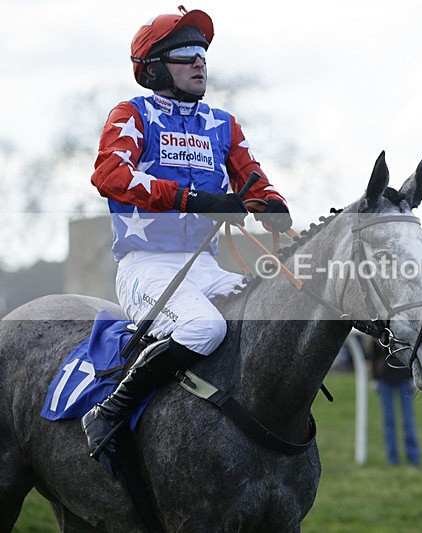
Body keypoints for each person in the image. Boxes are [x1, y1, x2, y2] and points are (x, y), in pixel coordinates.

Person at [81, 6, 292, 478]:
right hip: (147, 267)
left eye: (202, 54)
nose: (200, 63)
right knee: (206, 329)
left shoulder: (223, 124)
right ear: (153, 68)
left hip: (208, 267)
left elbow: (253, 179)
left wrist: (273, 205)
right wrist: (191, 198)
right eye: (184, 54)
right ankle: (111, 409)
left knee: (264, 315)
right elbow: (110, 175)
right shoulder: (131, 114)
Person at [365, 338, 421, 465]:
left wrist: (414, 376)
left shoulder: (404, 330)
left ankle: (414, 457)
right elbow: (373, 356)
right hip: (384, 379)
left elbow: (413, 353)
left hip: (405, 378)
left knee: (408, 420)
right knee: (388, 421)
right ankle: (392, 458)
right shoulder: (379, 331)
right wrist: (374, 378)